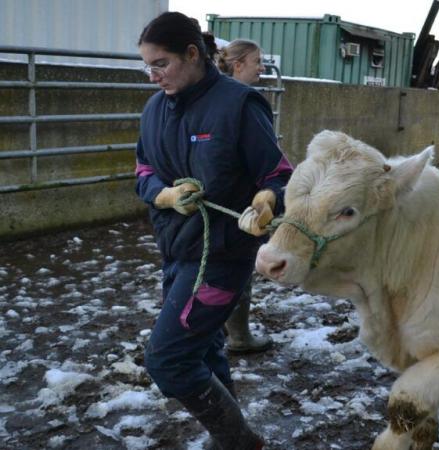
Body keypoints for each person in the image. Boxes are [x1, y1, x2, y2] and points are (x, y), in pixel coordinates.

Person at [134, 12, 292, 449]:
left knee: (168, 360)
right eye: (146, 65)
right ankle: (230, 438)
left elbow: (277, 174)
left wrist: (266, 200)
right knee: (202, 349)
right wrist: (163, 195)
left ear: (192, 54)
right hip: (174, 248)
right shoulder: (153, 109)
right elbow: (143, 170)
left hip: (221, 258)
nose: (152, 76)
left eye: (160, 64)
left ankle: (241, 442)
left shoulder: (239, 105)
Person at [216, 38, 273, 354]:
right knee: (238, 268)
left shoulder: (206, 97)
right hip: (238, 200)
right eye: (257, 62)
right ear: (238, 64)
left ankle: (223, 332)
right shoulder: (245, 101)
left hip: (213, 200)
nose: (262, 68)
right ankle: (237, 336)